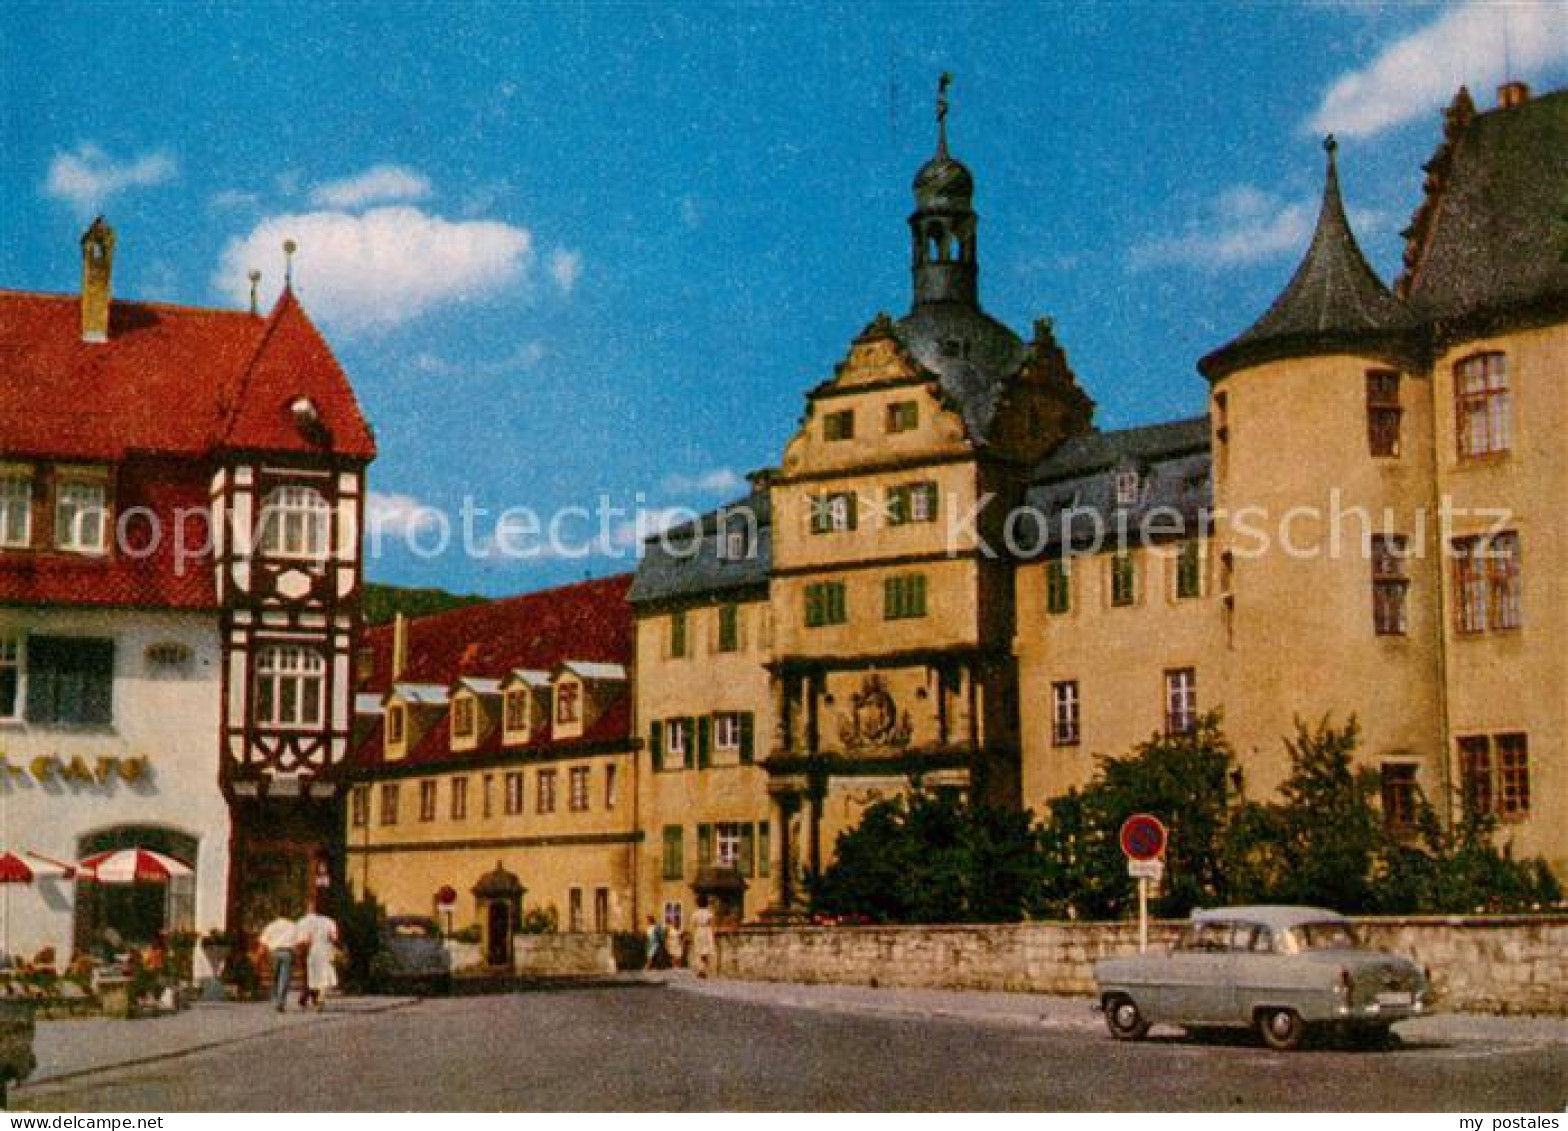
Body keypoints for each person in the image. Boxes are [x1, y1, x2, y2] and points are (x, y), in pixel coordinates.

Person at [294, 901, 339, 1012]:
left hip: (312, 950)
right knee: (324, 975)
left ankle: (310, 996)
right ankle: (320, 997)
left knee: (311, 975)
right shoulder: (329, 921)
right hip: (326, 950)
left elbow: (306, 939)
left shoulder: (302, 921)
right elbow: (334, 937)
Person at [258, 912, 298, 1012]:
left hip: (274, 953)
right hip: (287, 952)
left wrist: (259, 955)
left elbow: (263, 942)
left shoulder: (271, 926)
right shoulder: (293, 926)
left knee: (275, 977)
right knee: (284, 978)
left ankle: (276, 999)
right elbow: (297, 941)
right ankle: (281, 1001)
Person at [690, 896, 716, 978]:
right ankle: (703, 970)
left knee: (699, 951)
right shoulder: (709, 913)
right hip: (707, 931)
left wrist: (693, 934)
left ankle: (701, 970)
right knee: (705, 952)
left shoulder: (695, 913)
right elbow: (712, 924)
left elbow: (692, 925)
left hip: (699, 931)